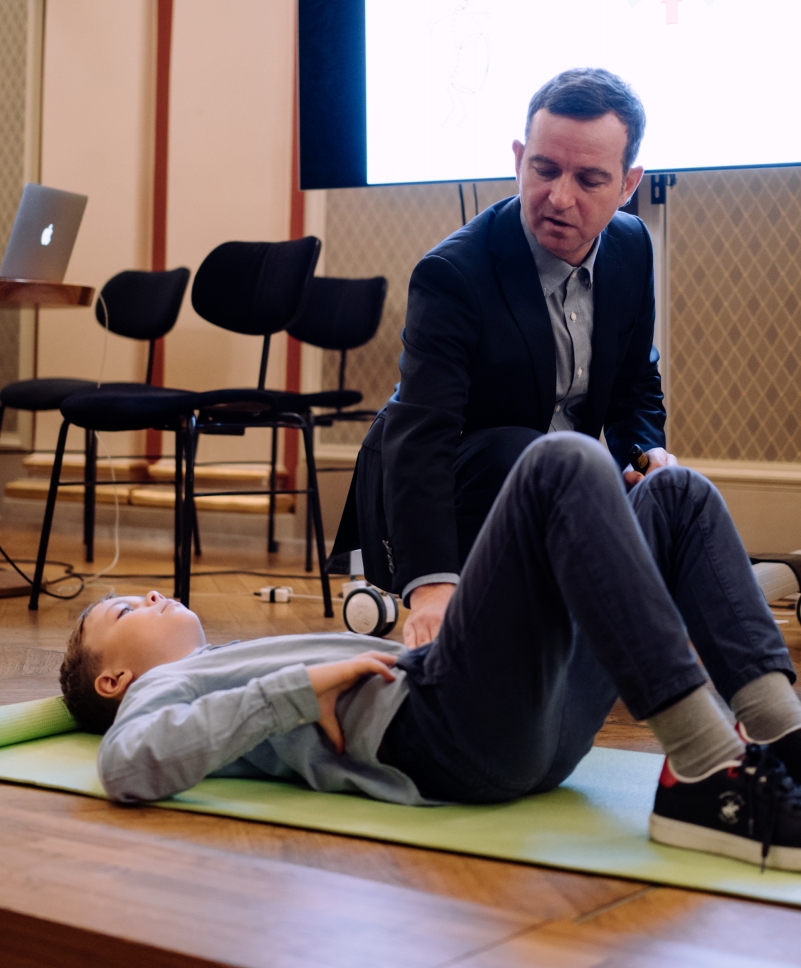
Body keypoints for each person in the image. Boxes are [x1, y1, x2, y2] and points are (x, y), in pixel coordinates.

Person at [63, 435, 801, 870]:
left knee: (676, 494)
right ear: (114, 679)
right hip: (446, 734)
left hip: (525, 735)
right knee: (560, 462)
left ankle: (783, 740)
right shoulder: (158, 690)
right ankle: (708, 773)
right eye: (124, 609)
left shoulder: (223, 664)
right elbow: (126, 765)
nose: (150, 595)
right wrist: (301, 686)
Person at [335, 68, 677, 649]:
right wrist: (432, 587)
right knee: (525, 451)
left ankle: (755, 697)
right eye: (544, 169)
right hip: (458, 481)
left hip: (561, 480)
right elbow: (422, 437)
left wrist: (646, 456)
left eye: (589, 179)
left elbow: (634, 385)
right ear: (519, 159)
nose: (559, 198)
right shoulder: (453, 274)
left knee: (681, 494)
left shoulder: (632, 244)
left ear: (628, 184)